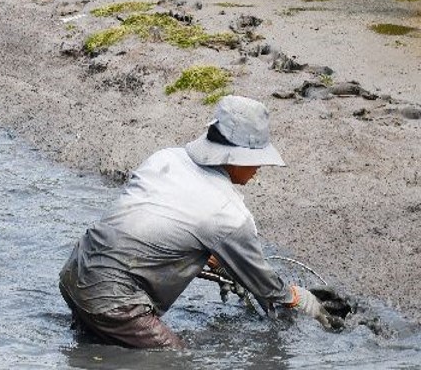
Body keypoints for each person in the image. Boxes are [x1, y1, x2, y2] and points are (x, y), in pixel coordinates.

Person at [58, 95, 336, 349]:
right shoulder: (229, 214)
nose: (258, 168)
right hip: (114, 302)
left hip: (74, 272)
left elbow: (150, 235)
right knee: (174, 359)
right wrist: (299, 299)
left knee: (96, 347)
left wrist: (217, 264)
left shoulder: (164, 158)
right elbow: (265, 286)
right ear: (234, 158)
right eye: (256, 160)